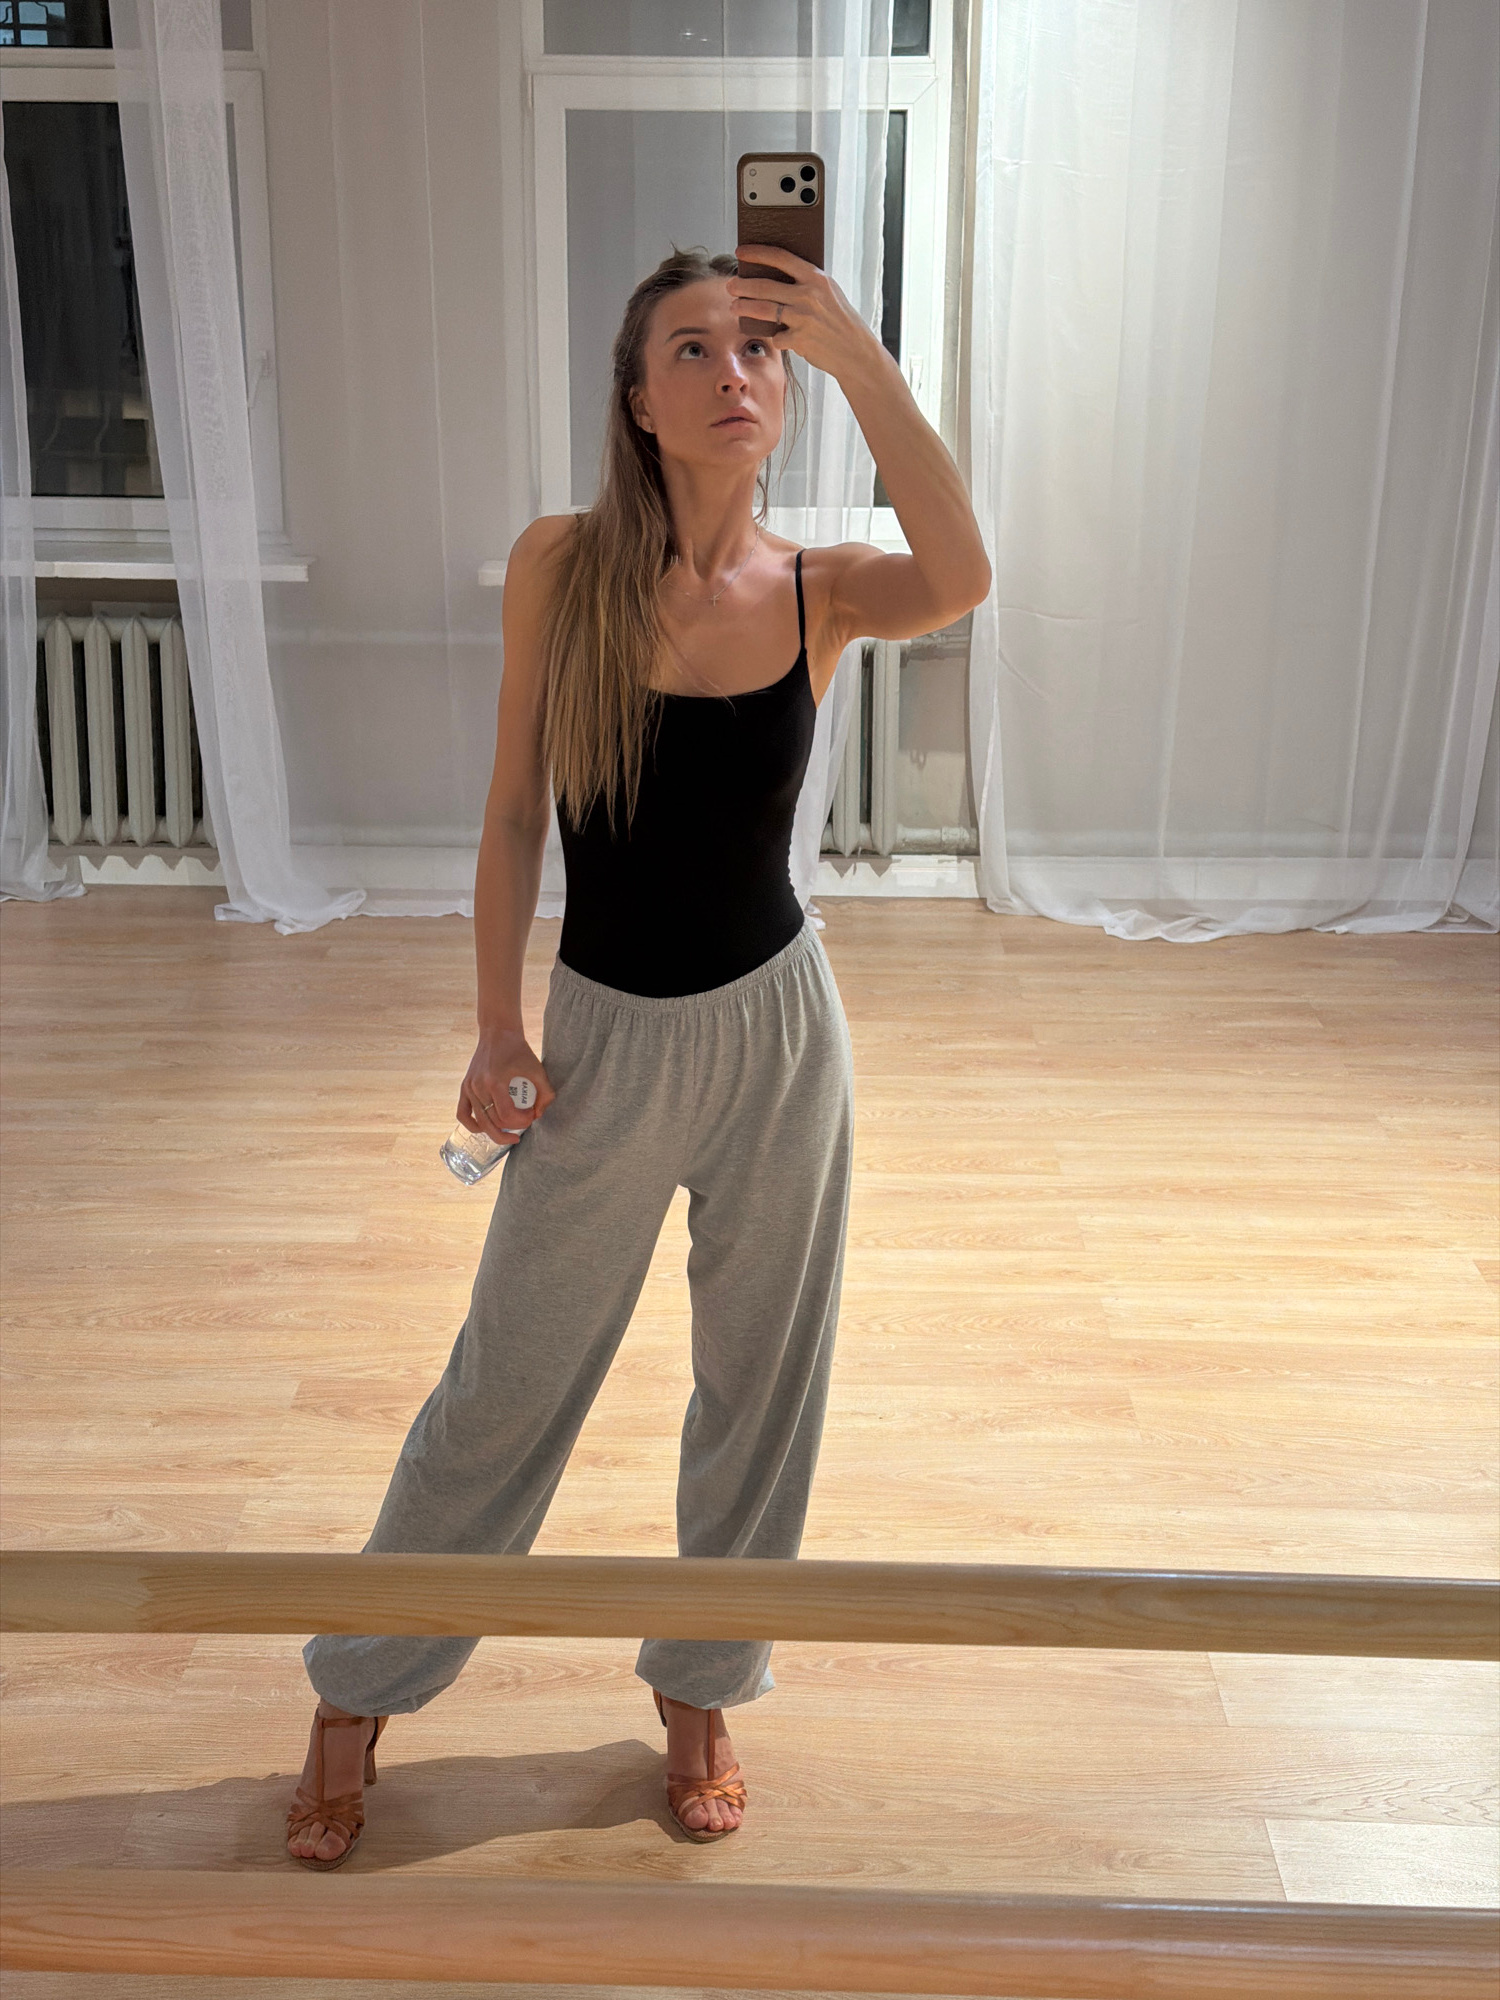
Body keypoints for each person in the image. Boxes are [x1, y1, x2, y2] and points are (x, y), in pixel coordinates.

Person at [284, 241, 992, 1866]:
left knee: (763, 1386)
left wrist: (863, 357)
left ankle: (701, 1687)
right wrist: (496, 1024)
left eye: (760, 349)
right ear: (637, 399)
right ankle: (356, 1689)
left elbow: (962, 572)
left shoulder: (821, 587)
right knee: (505, 1385)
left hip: (780, 1041)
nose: (735, 373)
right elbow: (513, 813)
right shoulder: (563, 565)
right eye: (695, 349)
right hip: (603, 1041)